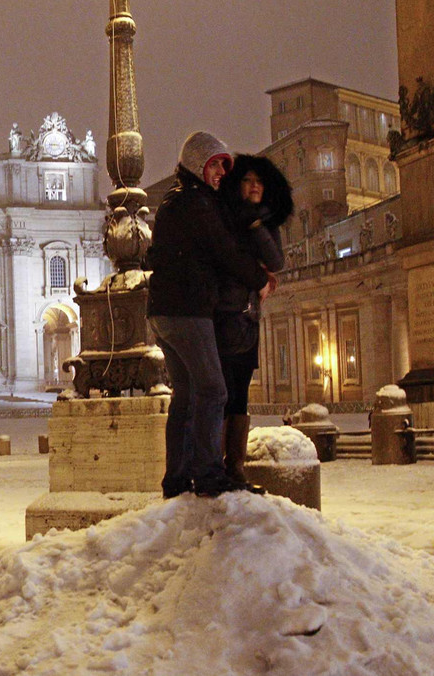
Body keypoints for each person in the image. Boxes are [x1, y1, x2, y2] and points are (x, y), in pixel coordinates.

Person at [143, 131, 269, 498]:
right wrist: (258, 278)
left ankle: (177, 479)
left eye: (223, 167)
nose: (220, 173)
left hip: (164, 311)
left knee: (186, 393)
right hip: (186, 310)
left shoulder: (177, 200)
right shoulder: (194, 202)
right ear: (198, 164)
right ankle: (209, 474)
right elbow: (224, 250)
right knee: (214, 390)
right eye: (215, 165)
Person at [216, 155, 292, 491]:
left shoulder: (264, 223)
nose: (255, 186)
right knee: (224, 391)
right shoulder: (226, 218)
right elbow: (228, 261)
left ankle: (234, 467)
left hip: (249, 317)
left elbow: (276, 260)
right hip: (225, 314)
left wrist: (257, 226)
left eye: (259, 181)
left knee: (241, 393)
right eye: (248, 180)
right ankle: (215, 465)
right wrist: (257, 274)